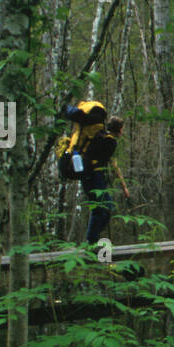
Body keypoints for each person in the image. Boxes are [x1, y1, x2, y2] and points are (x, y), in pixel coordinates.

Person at [57, 101, 128, 244]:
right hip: (94, 177)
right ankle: (91, 242)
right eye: (122, 129)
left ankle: (91, 241)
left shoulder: (100, 136)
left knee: (100, 209)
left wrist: (124, 186)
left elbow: (111, 162)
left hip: (88, 175)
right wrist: (123, 186)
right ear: (119, 130)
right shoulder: (109, 141)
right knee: (105, 209)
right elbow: (108, 161)